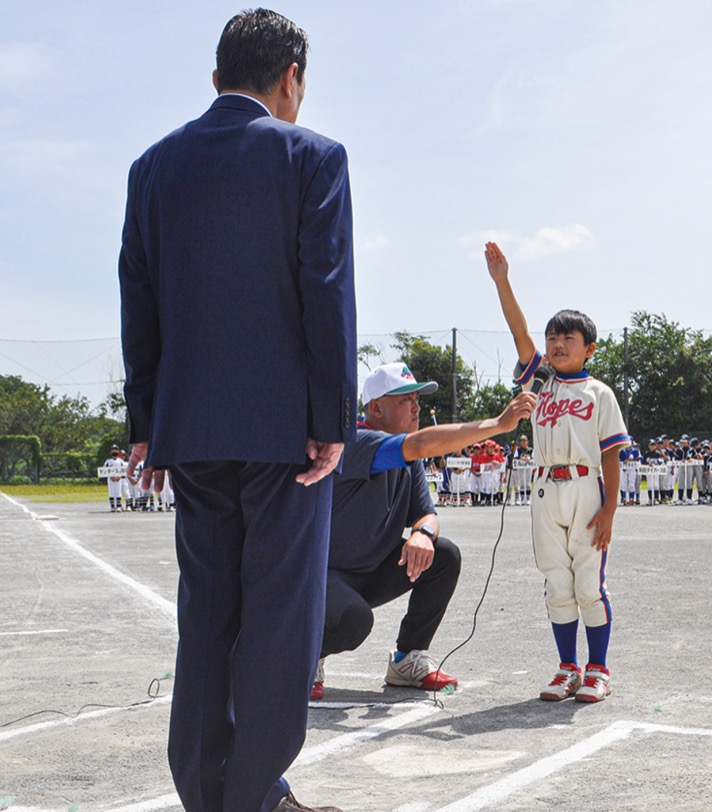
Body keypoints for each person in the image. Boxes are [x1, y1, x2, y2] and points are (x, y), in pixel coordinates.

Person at [118, 10, 356, 812]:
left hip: (192, 427)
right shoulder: (313, 157)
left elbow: (138, 298)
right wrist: (332, 417)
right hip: (287, 431)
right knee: (279, 621)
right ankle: (256, 793)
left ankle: (204, 788)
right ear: (290, 76)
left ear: (216, 77)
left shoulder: (152, 167)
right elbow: (324, 287)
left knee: (208, 612)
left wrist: (148, 422)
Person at [313, 363, 536, 699]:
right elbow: (419, 446)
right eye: (405, 399)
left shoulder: (408, 458)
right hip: (323, 577)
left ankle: (407, 659)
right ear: (376, 408)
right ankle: (301, 657)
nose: (416, 406)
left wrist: (423, 534)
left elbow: (427, 514)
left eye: (417, 398)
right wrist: (497, 425)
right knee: (354, 621)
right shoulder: (353, 441)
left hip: (369, 572)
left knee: (444, 555)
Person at [486, 241, 631, 704]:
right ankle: (567, 667)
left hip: (587, 487)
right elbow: (518, 332)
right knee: (557, 581)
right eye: (553, 338)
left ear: (589, 348)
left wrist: (610, 509)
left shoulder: (598, 392)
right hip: (546, 486)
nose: (557, 344)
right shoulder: (540, 381)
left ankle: (598, 669)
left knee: (590, 583)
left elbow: (611, 454)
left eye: (568, 339)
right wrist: (502, 281)